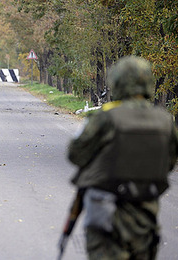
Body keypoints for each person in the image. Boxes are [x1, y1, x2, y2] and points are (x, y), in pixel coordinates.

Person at [67, 56, 178, 259]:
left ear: (117, 82)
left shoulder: (106, 117)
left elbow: (76, 154)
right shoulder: (165, 122)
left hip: (106, 214)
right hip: (145, 218)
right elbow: (169, 164)